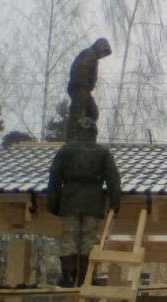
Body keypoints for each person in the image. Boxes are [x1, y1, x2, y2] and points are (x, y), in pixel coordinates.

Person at [47, 117, 121, 286]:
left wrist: (53, 203)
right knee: (89, 239)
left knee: (69, 237)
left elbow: (54, 177)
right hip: (93, 201)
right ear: (94, 133)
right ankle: (86, 278)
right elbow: (113, 179)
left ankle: (67, 277)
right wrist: (115, 203)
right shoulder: (102, 152)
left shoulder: (66, 150)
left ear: (78, 132)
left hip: (69, 200)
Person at [67, 37, 112, 136]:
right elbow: (81, 70)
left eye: (105, 53)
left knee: (92, 113)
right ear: (100, 47)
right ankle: (76, 134)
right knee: (79, 113)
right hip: (80, 88)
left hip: (83, 89)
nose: (103, 55)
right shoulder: (88, 54)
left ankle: (84, 132)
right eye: (103, 52)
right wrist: (83, 86)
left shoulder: (92, 56)